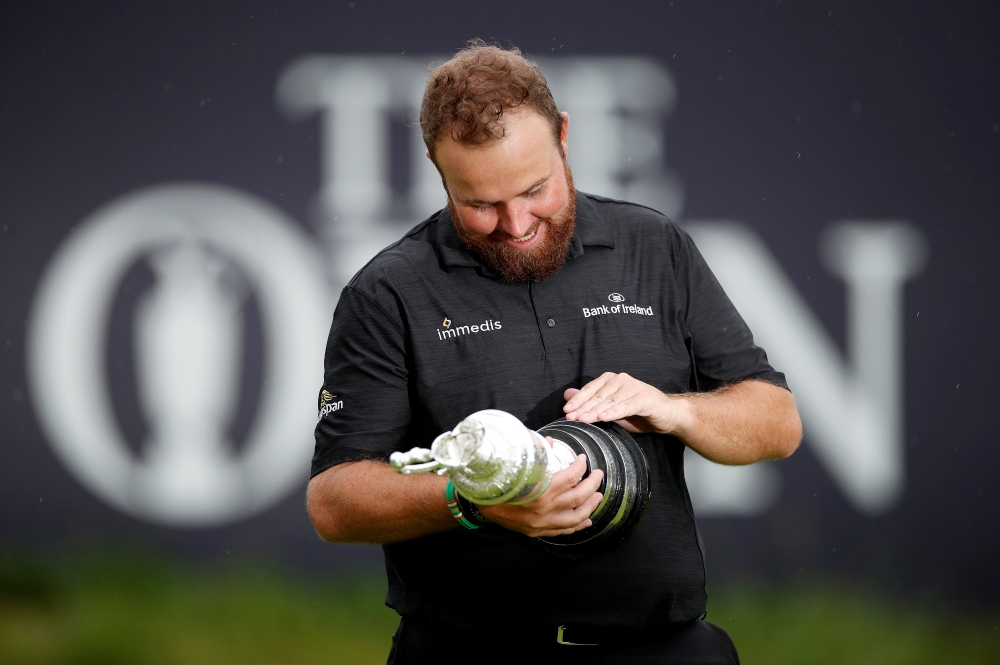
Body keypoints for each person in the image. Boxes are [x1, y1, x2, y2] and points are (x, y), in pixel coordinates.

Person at [307, 41, 801, 664]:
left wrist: (676, 411)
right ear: (436, 165)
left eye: (535, 189)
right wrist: (475, 501)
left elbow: (777, 423)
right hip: (467, 651)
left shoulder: (653, 246)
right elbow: (335, 501)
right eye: (480, 203)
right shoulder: (389, 291)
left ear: (564, 136)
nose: (515, 224)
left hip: (661, 646)